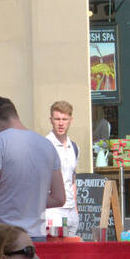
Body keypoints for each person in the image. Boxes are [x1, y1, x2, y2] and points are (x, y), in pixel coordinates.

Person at [0, 96, 65, 239]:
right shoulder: (47, 146)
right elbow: (59, 198)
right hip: (36, 235)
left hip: (2, 234)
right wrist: (30, 201)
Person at [42, 100, 80, 235]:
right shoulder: (45, 145)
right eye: (57, 119)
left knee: (72, 254)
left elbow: (73, 180)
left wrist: (75, 209)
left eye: (64, 119)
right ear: (51, 120)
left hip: (71, 210)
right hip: (52, 210)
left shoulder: (74, 147)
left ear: (71, 120)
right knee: (55, 252)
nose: (61, 123)